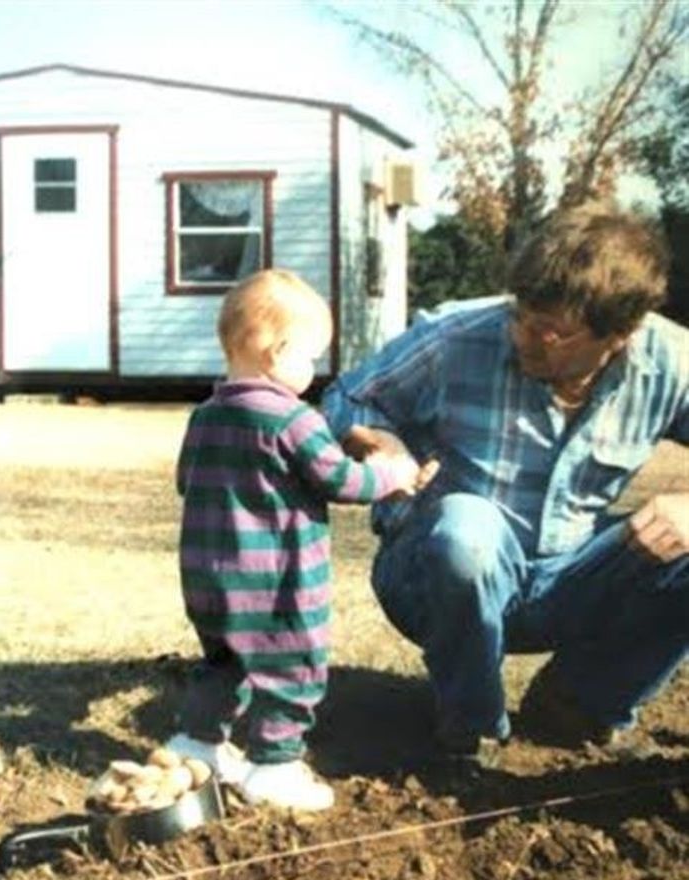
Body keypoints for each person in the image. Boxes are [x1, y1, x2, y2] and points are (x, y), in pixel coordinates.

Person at [321, 202, 689, 770]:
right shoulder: (456, 334)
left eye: (553, 333)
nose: (524, 337)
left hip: (573, 579)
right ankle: (470, 727)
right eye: (522, 315)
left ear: (620, 333)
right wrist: (381, 442)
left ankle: (581, 706)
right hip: (437, 574)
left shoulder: (672, 363)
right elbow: (347, 397)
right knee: (468, 528)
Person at [166, 269, 436, 811]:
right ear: (280, 351)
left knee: (224, 662)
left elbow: (183, 482)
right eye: (310, 357)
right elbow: (344, 481)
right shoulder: (294, 420)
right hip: (278, 584)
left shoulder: (206, 415)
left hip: (210, 581)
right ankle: (274, 766)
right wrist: (394, 473)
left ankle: (198, 743)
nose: (313, 370)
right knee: (293, 670)